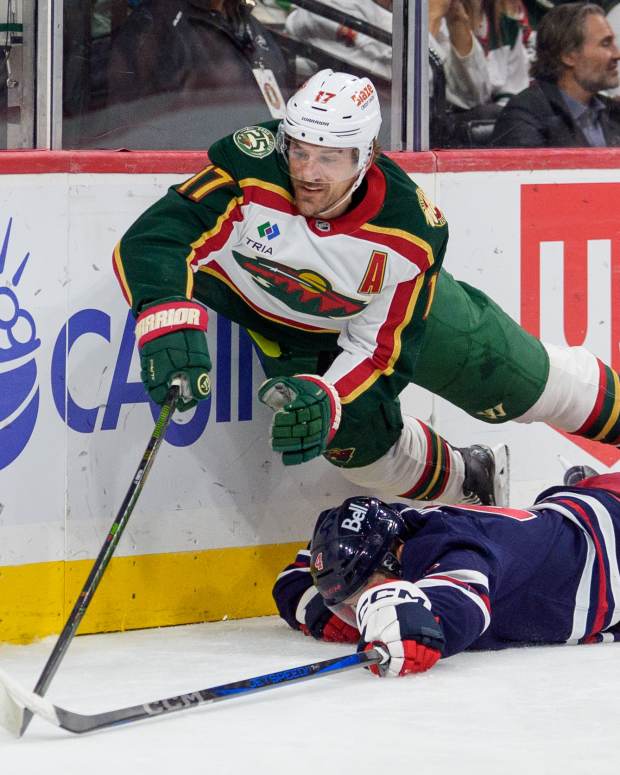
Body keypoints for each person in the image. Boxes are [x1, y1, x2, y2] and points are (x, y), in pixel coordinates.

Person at [113, 69, 620, 510]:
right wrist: (167, 316)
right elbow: (157, 239)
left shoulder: (408, 228)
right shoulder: (250, 171)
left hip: (389, 319)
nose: (308, 174)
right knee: (355, 444)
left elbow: (381, 352)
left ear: (367, 155)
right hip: (287, 331)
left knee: (521, 382)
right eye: (299, 151)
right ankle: (474, 479)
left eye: (330, 159)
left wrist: (333, 394)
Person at [272, 465, 620, 676]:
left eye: (363, 598)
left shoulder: (452, 548)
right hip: (580, 511)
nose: (355, 614)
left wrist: (418, 627)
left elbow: (458, 601)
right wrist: (323, 610)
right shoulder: (387, 529)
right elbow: (294, 578)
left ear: (398, 557)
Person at [491, 2, 620, 147]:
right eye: (605, 44)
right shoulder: (524, 117)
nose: (617, 54)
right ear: (568, 55)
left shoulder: (614, 113)